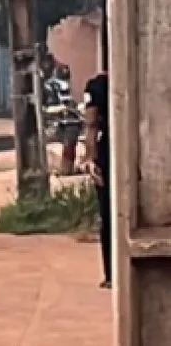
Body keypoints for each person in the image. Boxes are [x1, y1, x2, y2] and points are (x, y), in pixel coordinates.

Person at [82, 71, 112, 289]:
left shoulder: (96, 85)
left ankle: (111, 273)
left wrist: (90, 158)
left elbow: (91, 123)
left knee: (108, 213)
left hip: (107, 153)